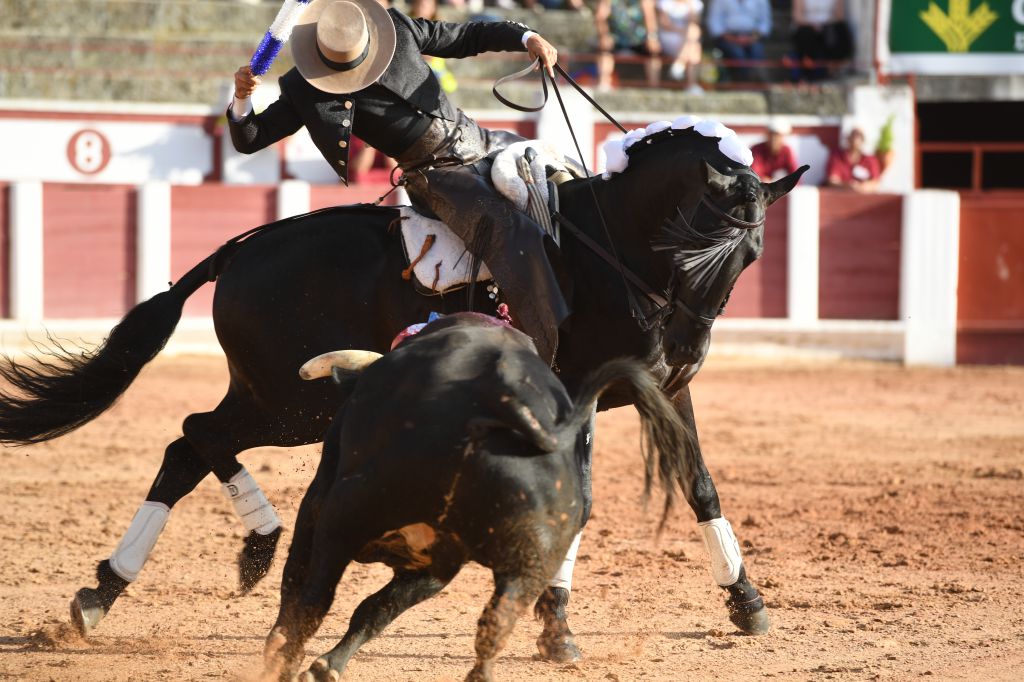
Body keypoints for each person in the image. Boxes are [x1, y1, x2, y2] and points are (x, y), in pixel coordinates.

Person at [228, 0, 568, 362]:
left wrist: (526, 37)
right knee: (511, 232)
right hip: (436, 176)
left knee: (567, 179)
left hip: (483, 140)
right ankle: (546, 346)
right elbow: (251, 137)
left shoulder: (395, 29)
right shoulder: (304, 87)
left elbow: (470, 35)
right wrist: (242, 99)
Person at [594, 0, 662, 90]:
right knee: (605, 50)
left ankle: (653, 87)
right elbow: (600, 18)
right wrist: (604, 36)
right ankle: (604, 84)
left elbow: (650, 18)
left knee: (653, 52)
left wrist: (652, 38)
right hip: (616, 38)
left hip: (639, 39)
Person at [705, 0, 772, 84]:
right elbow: (715, 24)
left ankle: (754, 84)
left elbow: (765, 24)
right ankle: (741, 84)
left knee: (757, 53)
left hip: (753, 37)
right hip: (727, 38)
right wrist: (732, 38)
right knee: (737, 54)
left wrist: (752, 38)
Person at [791, 0, 850, 82]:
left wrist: (824, 24)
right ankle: (807, 71)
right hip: (807, 25)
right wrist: (813, 25)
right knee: (805, 34)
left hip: (828, 24)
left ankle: (832, 69)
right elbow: (797, 16)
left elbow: (839, 15)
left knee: (836, 30)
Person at [656, 0, 703, 92]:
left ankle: (679, 64)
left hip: (687, 40)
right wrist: (682, 31)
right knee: (694, 44)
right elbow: (664, 23)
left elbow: (695, 21)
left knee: (694, 35)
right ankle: (691, 84)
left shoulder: (695, 3)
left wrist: (690, 6)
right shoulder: (665, 2)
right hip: (669, 37)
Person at [826, 127, 881, 192]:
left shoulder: (870, 160)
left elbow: (875, 182)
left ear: (863, 140)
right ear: (848, 139)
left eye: (859, 135)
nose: (856, 138)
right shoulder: (837, 157)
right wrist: (848, 186)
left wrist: (861, 187)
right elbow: (832, 181)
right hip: (842, 195)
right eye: (853, 135)